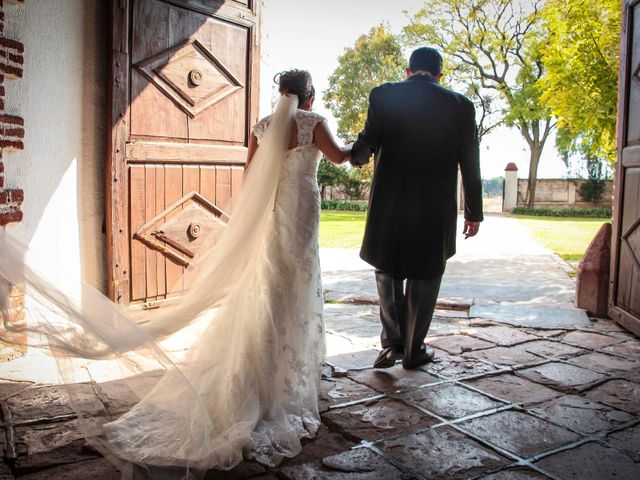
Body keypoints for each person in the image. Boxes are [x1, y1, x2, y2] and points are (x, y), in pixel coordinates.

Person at [0, 70, 351, 475]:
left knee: (267, 287)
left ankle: (258, 374)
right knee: (296, 288)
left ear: (280, 94)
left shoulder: (264, 126)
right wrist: (365, 145)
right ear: (309, 96)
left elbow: (252, 174)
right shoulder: (313, 123)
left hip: (272, 218)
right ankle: (282, 384)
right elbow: (340, 156)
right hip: (301, 214)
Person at [350, 47, 483, 370]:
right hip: (434, 206)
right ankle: (414, 349)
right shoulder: (461, 106)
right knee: (426, 273)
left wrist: (355, 156)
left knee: (388, 269)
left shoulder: (384, 96)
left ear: (408, 71)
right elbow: (470, 163)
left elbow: (369, 140)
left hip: (389, 202)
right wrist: (473, 212)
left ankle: (391, 344)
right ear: (440, 74)